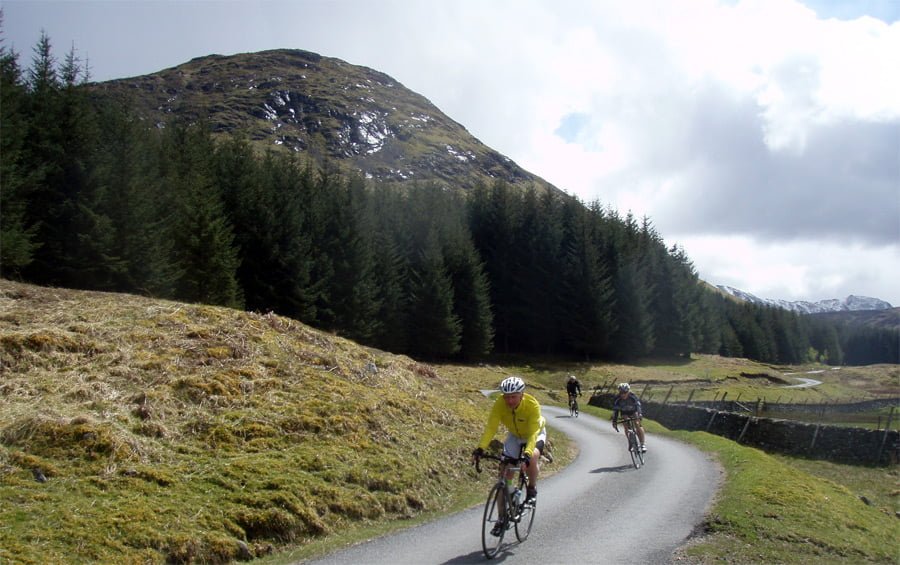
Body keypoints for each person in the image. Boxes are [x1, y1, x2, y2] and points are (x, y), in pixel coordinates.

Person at [472, 376, 547, 513]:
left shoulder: (532, 405)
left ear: (521, 395)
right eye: (506, 397)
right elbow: (491, 427)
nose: (509, 401)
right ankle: (502, 518)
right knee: (504, 474)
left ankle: (531, 488)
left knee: (533, 458)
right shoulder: (500, 403)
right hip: (515, 435)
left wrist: (527, 454)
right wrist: (480, 448)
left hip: (535, 433)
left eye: (513, 397)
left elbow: (532, 434)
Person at [611, 382, 647, 452]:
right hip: (624, 412)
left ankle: (642, 444)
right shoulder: (617, 399)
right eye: (621, 392)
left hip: (634, 411)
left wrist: (640, 414)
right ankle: (631, 442)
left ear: (628, 391)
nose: (623, 394)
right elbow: (615, 411)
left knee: (637, 424)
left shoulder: (632, 396)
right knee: (626, 425)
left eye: (625, 392)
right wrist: (614, 421)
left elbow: (638, 405)